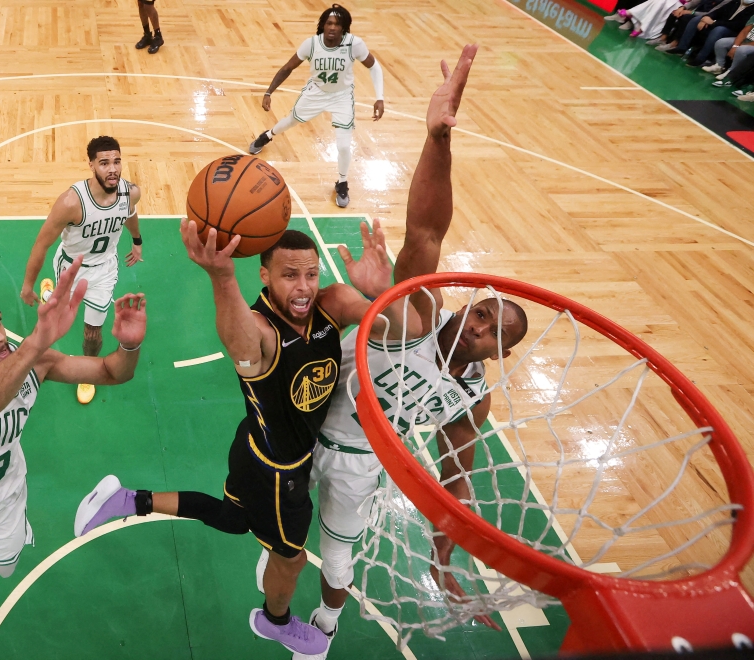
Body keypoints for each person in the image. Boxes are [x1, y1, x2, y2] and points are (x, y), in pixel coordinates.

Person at [269, 44, 528, 658]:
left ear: (499, 355)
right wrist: (437, 139)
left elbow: (455, 485)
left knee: (336, 559)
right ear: (465, 305)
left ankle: (325, 630)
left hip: (362, 463)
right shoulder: (418, 313)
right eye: (483, 311)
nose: (480, 326)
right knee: (276, 535)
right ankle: (278, 597)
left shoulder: (470, 397)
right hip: (302, 426)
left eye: (495, 332)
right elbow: (427, 232)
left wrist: (442, 564)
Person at [72, 221, 420, 655]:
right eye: (290, 275)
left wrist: (385, 292)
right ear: (265, 276)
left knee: (236, 519)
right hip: (280, 470)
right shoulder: (261, 326)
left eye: (310, 274)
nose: (303, 286)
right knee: (290, 560)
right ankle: (275, 622)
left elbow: (408, 331)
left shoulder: (332, 304)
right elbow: (239, 341)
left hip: (253, 445)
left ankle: (126, 500)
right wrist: (221, 277)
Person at [0, 258, 147, 577]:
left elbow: (111, 372)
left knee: (6, 569)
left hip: (7, 493)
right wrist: (36, 343)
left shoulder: (27, 360)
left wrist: (129, 345)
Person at [20, 136, 143, 405]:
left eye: (117, 161)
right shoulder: (71, 202)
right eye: (104, 163)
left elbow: (130, 213)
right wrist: (27, 285)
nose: (112, 169)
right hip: (70, 268)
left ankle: (88, 372)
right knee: (53, 318)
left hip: (104, 271)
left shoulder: (130, 192)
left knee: (92, 333)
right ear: (91, 165)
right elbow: (42, 244)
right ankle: (47, 291)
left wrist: (136, 241)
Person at [248, 4, 384, 209]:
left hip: (342, 96)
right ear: (322, 25)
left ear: (344, 28)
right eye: (329, 23)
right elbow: (287, 68)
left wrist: (379, 97)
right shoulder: (311, 44)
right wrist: (269, 92)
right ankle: (267, 135)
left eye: (337, 24)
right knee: (291, 121)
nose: (332, 27)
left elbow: (374, 66)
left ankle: (342, 182)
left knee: (344, 145)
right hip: (316, 92)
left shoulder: (354, 44)